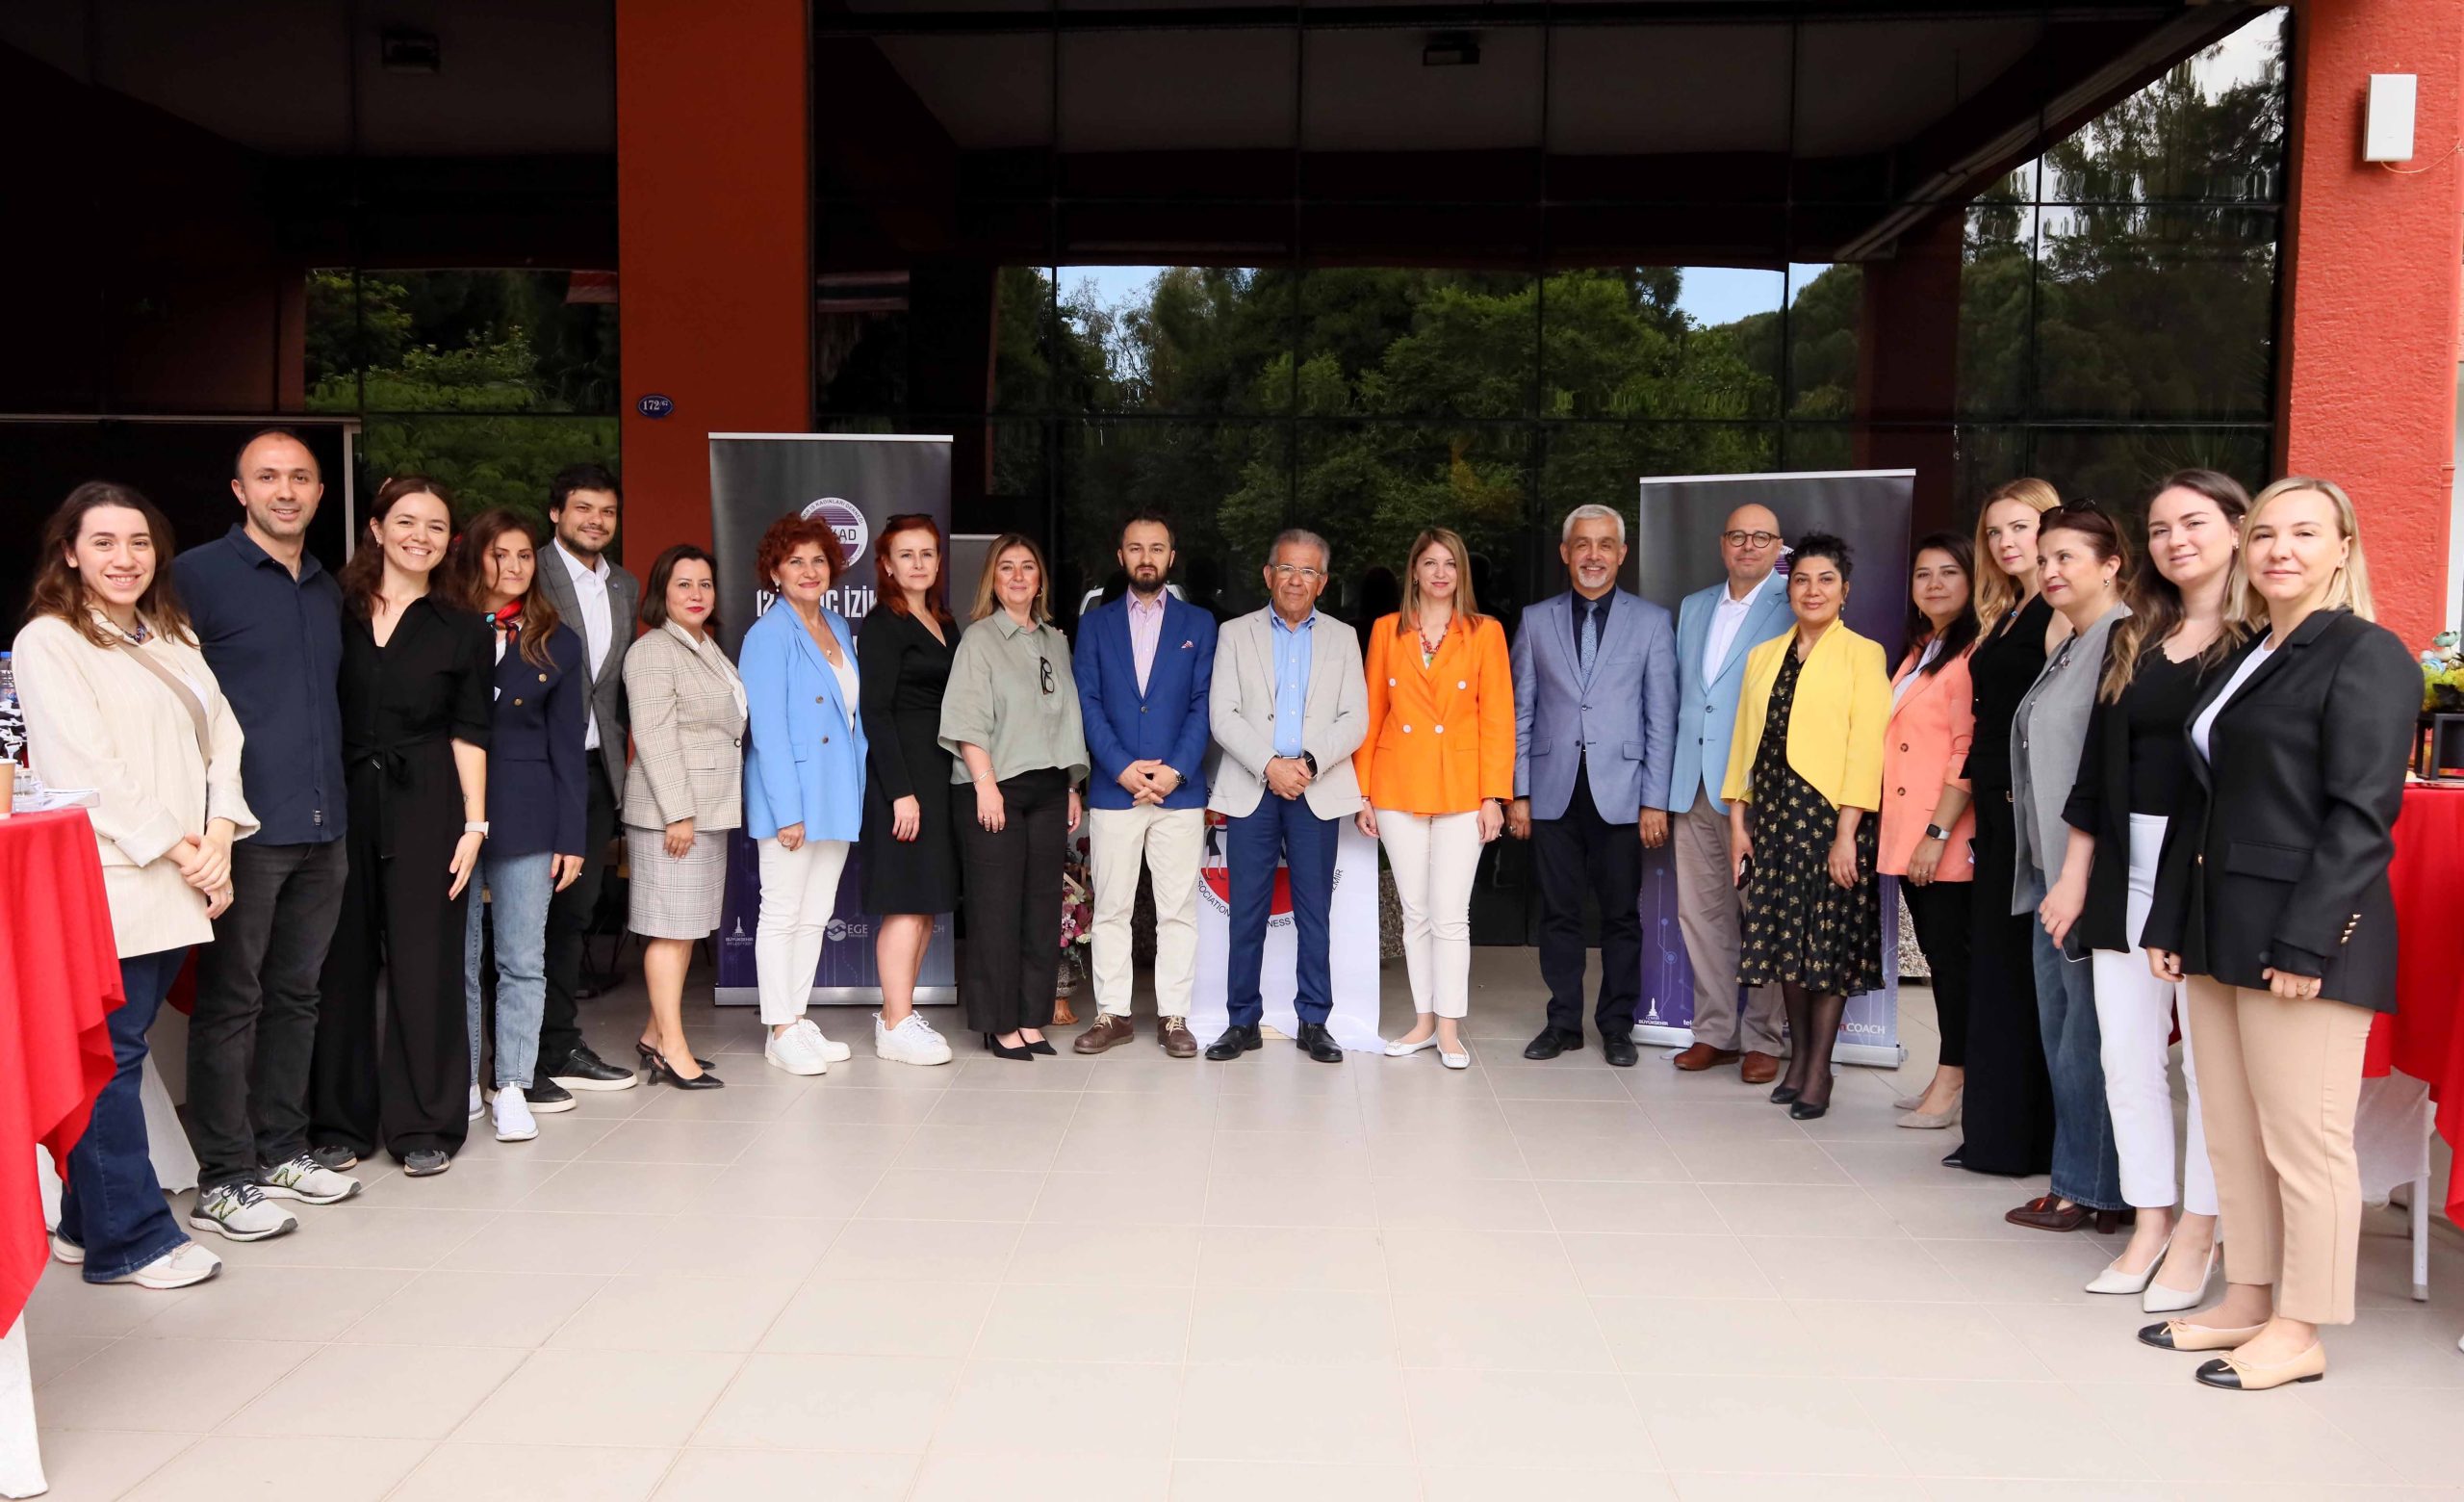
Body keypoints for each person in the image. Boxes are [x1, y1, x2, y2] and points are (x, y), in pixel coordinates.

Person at [2139, 478, 2417, 1391]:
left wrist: (2308, 942)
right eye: (2264, 534)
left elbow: (2362, 817)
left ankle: (2302, 1328)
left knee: (2305, 1142)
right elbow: (2202, 798)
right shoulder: (2249, 653)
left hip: (2303, 937)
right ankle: (2250, 1297)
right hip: (2218, 929)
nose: (2279, 551)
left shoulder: (2367, 653)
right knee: (2232, 1132)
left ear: (2344, 548)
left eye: (2304, 533)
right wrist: (2170, 918)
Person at [19, 483, 256, 1282]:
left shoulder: (169, 633)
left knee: (120, 1049)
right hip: (114, 879)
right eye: (105, 542)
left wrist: (219, 833)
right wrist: (185, 848)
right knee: (111, 1055)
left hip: (181, 872)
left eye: (140, 542)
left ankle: (85, 1224)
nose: (125, 558)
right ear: (70, 553)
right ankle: (131, 1241)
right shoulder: (50, 641)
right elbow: (83, 767)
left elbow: (224, 737)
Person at [2040, 472, 2246, 1306]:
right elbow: (2097, 770)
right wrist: (2074, 875)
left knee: (2209, 1068)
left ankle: (2203, 1229)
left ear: (2238, 528)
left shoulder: (2263, 641)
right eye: (2159, 528)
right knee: (2125, 1056)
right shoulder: (2138, 636)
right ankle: (2150, 1220)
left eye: (2193, 523)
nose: (2175, 541)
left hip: (2206, 871)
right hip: (2125, 862)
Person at [172, 430, 364, 1221]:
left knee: (297, 996)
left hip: (325, 825)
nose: (286, 491)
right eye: (268, 477)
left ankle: (282, 1150)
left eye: (300, 478)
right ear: (239, 490)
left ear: (320, 492)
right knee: (232, 1003)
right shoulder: (194, 577)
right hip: (242, 831)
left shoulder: (325, 586)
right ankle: (224, 1175)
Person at [310, 477, 492, 1178]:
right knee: (341, 962)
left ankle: (426, 1124)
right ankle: (339, 1123)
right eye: (407, 521)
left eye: (437, 526)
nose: (421, 536)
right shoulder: (332, 608)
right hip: (342, 795)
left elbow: (470, 731)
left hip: (430, 803)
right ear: (377, 528)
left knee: (427, 962)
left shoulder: (463, 626)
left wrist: (474, 825)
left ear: (451, 542)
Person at [1722, 532, 1889, 1120]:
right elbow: (1745, 742)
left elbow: (1866, 748)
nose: (1812, 590)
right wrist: (1738, 822)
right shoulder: (1764, 656)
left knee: (1829, 943)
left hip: (1832, 819)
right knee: (1786, 944)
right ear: (1787, 589)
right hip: (1773, 817)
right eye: (1801, 580)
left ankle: (1819, 1069)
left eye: (1825, 580)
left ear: (1845, 591)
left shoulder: (1863, 653)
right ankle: (1797, 1064)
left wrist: (1847, 834)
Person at [1507, 505, 1678, 1067]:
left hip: (1623, 793)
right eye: (1582, 544)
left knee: (1620, 915)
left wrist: (1655, 800)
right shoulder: (1536, 620)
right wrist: (1519, 793)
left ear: (1622, 554)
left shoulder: (1651, 622)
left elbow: (1660, 717)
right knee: (1558, 914)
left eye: (1605, 544)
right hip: (1552, 790)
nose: (1593, 555)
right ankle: (1563, 1023)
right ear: (1565, 553)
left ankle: (1617, 1025)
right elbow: (1521, 711)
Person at [2006, 503, 2134, 1232]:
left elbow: (2106, 771)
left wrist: (2076, 877)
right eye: (2044, 558)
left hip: (2081, 878)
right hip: (2048, 872)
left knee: (2085, 1038)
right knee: (2065, 1035)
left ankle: (2092, 1190)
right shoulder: (2074, 640)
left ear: (2110, 564)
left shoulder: (2123, 641)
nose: (2050, 570)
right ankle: (2081, 1181)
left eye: (2067, 558)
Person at [1206, 529, 1370, 1064]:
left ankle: (1314, 1021)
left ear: (1322, 582)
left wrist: (1308, 765)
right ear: (1268, 574)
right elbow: (1223, 714)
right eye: (1287, 568)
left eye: (1308, 571)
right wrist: (1270, 765)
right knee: (1246, 911)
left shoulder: (1344, 637)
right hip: (1254, 788)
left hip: (1315, 789)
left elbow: (1356, 718)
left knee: (1314, 912)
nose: (1296, 580)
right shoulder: (1235, 633)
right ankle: (1241, 1021)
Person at [1356, 527, 1514, 1071]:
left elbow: (1498, 718)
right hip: (1397, 782)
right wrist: (1363, 793)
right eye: (1430, 563)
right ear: (1415, 572)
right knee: (1416, 913)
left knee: (1450, 915)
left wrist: (1494, 795)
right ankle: (1423, 1021)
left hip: (1463, 787)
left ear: (1461, 572)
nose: (1441, 572)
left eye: (1450, 563)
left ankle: (1449, 1027)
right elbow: (1372, 713)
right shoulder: (1386, 630)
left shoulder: (1485, 632)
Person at [455, 509, 587, 1145]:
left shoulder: (556, 639)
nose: (513, 566)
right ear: (476, 557)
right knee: (458, 957)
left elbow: (569, 747)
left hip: (529, 811)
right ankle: (459, 1084)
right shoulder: (446, 625)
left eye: (524, 555)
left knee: (521, 959)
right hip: (451, 812)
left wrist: (573, 838)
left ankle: (510, 1083)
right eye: (498, 553)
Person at [1947, 477, 2065, 1178]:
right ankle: (1996, 1136)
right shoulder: (2011, 610)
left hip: (2030, 812)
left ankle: (2027, 1141)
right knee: (1997, 967)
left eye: (2020, 527)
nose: (2005, 542)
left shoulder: (2058, 609)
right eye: (1994, 532)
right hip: (1996, 809)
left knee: (2022, 972)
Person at [1072, 511, 1218, 1058]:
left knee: (1177, 909)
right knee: (1111, 907)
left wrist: (1175, 770)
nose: (1147, 558)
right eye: (1136, 548)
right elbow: (1086, 702)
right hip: (1116, 789)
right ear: (1121, 557)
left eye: (1157, 548)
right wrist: (1121, 767)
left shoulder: (1200, 624)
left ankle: (1174, 1017)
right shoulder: (1095, 625)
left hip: (1179, 791)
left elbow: (1205, 703)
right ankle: (1113, 1013)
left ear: (1171, 557)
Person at [939, 534, 1090, 1060]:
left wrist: (1070, 785)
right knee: (995, 908)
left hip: (1048, 787)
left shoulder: (1055, 641)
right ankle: (998, 1023)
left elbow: (1065, 718)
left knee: (1041, 907)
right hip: (993, 786)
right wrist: (986, 785)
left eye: (1028, 567)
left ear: (1040, 580)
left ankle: (1030, 1017)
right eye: (1007, 568)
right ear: (993, 580)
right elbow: (966, 720)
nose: (1019, 576)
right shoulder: (979, 640)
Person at [1665, 504, 1793, 1083]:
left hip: (1757, 787)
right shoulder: (1694, 606)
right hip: (1693, 782)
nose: (1747, 546)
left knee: (1760, 913)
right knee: (1702, 913)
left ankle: (1764, 1038)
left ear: (1779, 546)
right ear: (1722, 544)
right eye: (1737, 536)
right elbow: (1686, 696)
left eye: (1761, 537)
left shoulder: (1794, 601)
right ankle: (1715, 1032)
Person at [740, 515, 867, 1076]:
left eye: (818, 560)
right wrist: (787, 812)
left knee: (816, 914)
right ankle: (779, 1028)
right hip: (790, 795)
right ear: (775, 572)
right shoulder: (767, 635)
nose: (809, 571)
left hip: (836, 788)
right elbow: (766, 731)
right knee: (782, 912)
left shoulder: (836, 625)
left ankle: (796, 1015)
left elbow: (850, 718)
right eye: (796, 561)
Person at [530, 463, 642, 1100]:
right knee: (525, 912)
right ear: (556, 513)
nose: (596, 521)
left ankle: (559, 1044)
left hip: (596, 770)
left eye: (607, 511)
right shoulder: (530, 570)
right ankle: (516, 1054)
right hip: (534, 767)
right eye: (583, 508)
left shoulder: (623, 584)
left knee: (575, 910)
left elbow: (613, 685)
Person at [622, 545, 745, 1089]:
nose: (697, 594)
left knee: (686, 928)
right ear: (662, 593)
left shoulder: (703, 646)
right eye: (684, 584)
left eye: (705, 584)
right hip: (673, 814)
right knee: (671, 932)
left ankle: (654, 1036)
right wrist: (678, 813)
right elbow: (653, 737)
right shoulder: (653, 651)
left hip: (707, 808)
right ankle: (672, 1049)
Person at [1880, 532, 1979, 1131]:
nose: (1934, 584)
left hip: (1944, 837)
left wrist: (1936, 832)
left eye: (1948, 572)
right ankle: (1950, 1070)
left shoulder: (1971, 653)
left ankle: (1955, 1077)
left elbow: (1966, 751)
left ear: (1972, 580)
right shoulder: (1923, 649)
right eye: (1923, 574)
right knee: (1944, 960)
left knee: (1953, 962)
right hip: (1910, 831)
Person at [858, 515, 960, 1067]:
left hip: (939, 777)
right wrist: (900, 791)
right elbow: (875, 712)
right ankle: (894, 1022)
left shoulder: (943, 621)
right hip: (903, 780)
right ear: (887, 565)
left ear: (938, 562)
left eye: (927, 554)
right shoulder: (883, 625)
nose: (918, 563)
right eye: (906, 554)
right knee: (903, 902)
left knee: (923, 904)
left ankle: (901, 1014)